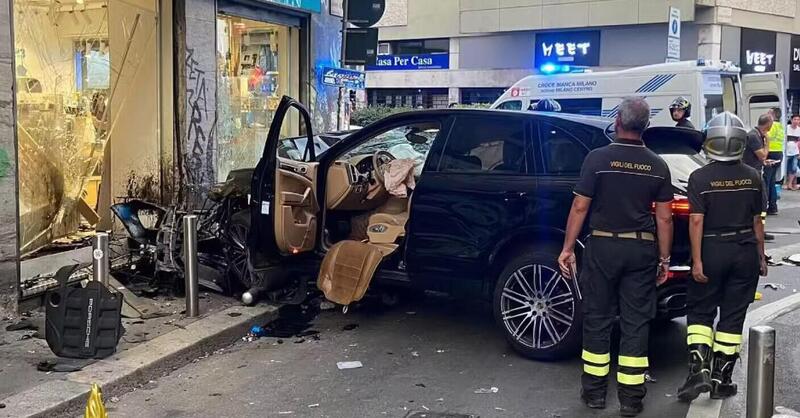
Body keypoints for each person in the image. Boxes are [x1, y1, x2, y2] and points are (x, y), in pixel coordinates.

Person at [558, 97, 673, 417]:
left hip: (603, 248)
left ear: (618, 122)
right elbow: (664, 219)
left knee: (598, 318)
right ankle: (631, 399)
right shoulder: (657, 164)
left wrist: (568, 248)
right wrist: (664, 259)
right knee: (637, 322)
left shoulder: (597, 159)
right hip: (641, 249)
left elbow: (580, 206)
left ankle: (594, 394)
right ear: (646, 126)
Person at [676, 112, 767, 402]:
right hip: (744, 251)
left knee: (701, 312)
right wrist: (761, 256)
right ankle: (721, 378)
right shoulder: (753, 177)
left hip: (711, 250)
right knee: (732, 316)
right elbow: (757, 223)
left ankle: (697, 371)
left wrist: (698, 260)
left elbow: (696, 222)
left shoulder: (699, 177)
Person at [743, 114, 775, 241]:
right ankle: (757, 229)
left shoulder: (756, 135)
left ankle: (760, 228)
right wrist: (768, 143)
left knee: (761, 204)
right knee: (761, 203)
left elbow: (758, 158)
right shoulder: (754, 136)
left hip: (756, 171)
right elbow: (762, 155)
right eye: (772, 122)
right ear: (768, 124)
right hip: (752, 175)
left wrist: (765, 162)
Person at [763, 107, 785, 214]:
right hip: (779, 154)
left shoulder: (773, 125)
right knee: (771, 181)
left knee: (766, 181)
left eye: (768, 112)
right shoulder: (780, 125)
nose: (766, 114)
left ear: (772, 115)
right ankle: (773, 206)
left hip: (771, 153)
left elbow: (766, 136)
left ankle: (765, 205)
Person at [785, 114, 800, 190]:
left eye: (798, 119)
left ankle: (790, 184)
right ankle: (788, 183)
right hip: (786, 151)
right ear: (791, 120)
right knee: (786, 168)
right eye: (795, 119)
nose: (796, 121)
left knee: (793, 168)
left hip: (795, 152)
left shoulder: (799, 129)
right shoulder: (786, 128)